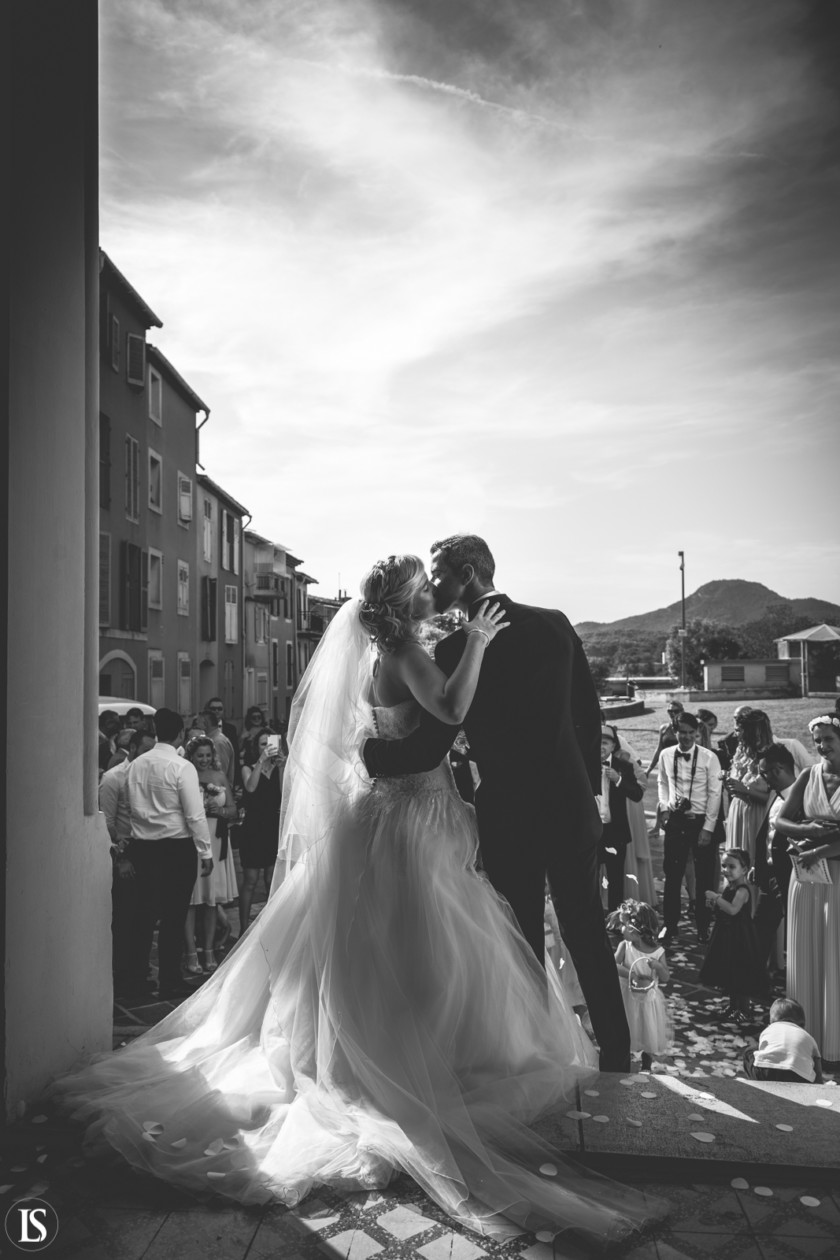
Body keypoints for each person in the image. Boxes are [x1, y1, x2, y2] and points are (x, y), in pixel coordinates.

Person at [53, 560, 662, 1245]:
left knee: (390, 952)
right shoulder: (405, 652)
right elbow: (452, 714)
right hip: (411, 818)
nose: (437, 594)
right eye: (424, 587)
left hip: (392, 817)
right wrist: (482, 645)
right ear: (407, 602)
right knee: (419, 951)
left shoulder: (386, 649)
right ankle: (414, 1071)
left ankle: (403, 1059)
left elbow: (388, 738)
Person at [361, 535, 631, 1074]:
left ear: (466, 574)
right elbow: (588, 716)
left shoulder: (456, 649)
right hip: (571, 808)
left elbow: (432, 744)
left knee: (522, 939)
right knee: (588, 933)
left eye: (438, 575)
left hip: (510, 814)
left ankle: (537, 1057)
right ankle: (619, 1061)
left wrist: (367, 751)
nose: (434, 587)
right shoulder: (554, 623)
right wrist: (592, 798)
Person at [123, 708, 214, 1000]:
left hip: (142, 847)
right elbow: (195, 814)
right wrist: (206, 850)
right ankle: (169, 980)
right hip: (175, 848)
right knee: (174, 917)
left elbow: (129, 806)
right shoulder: (181, 767)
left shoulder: (135, 765)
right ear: (178, 733)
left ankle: (137, 980)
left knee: (143, 917)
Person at [775, 714, 840, 1067]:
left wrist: (818, 846)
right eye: (817, 739)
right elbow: (781, 821)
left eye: (828, 738)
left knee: (836, 955)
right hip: (806, 878)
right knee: (805, 955)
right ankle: (805, 1036)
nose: (821, 745)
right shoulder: (808, 775)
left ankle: (835, 1043)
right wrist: (811, 832)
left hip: (839, 880)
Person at [99, 727, 156, 997]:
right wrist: (121, 857)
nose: (149, 756)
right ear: (132, 749)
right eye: (144, 751)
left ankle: (139, 972)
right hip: (124, 854)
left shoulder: (151, 775)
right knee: (125, 919)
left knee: (146, 918)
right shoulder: (113, 779)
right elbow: (106, 823)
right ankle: (122, 978)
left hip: (149, 853)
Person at [657, 712, 722, 945]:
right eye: (681, 732)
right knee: (672, 876)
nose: (685, 737)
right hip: (676, 820)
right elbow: (662, 782)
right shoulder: (666, 754)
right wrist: (664, 807)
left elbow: (715, 793)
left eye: (690, 733)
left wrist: (708, 827)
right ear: (675, 732)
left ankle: (703, 926)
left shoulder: (709, 757)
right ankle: (670, 925)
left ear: (697, 733)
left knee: (704, 877)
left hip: (701, 821)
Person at [725, 710, 812, 864]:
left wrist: (745, 790)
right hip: (738, 813)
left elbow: (779, 795)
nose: (737, 735)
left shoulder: (782, 750)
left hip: (759, 815)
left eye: (741, 731)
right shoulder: (742, 753)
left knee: (754, 859)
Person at [183, 736, 239, 975]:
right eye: (200, 756)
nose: (204, 760)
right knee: (192, 900)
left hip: (216, 840)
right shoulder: (186, 776)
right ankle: (190, 952)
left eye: (208, 755)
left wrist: (221, 810)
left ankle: (208, 950)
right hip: (195, 840)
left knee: (210, 900)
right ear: (192, 757)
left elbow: (234, 809)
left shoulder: (219, 777)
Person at [700, 848, 766, 1025]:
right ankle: (732, 1006)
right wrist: (715, 903)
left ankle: (743, 1009)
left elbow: (732, 909)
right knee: (729, 974)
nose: (726, 870)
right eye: (724, 866)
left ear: (744, 869)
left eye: (731, 866)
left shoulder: (743, 890)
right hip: (727, 934)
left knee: (740, 974)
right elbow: (724, 907)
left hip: (740, 937)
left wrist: (716, 898)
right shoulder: (731, 886)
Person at [752, 743, 798, 969]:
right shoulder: (776, 795)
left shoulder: (805, 797)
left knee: (795, 933)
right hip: (769, 876)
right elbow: (768, 835)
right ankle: (753, 985)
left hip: (792, 879)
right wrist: (759, 865)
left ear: (778, 769)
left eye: (763, 773)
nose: (761, 779)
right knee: (759, 931)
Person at [610, 901, 671, 1073]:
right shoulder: (625, 946)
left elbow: (666, 977)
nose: (621, 929)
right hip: (628, 996)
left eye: (624, 925)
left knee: (648, 1031)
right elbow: (613, 966)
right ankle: (624, 1059)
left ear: (636, 930)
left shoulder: (658, 952)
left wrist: (658, 967)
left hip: (648, 1000)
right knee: (627, 1028)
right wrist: (633, 974)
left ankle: (646, 1063)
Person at [238, 729, 285, 934]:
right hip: (253, 828)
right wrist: (261, 761)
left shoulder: (279, 768)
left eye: (269, 743)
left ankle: (270, 927)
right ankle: (242, 928)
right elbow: (250, 787)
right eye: (262, 744)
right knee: (250, 880)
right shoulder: (247, 768)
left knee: (270, 879)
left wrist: (283, 767)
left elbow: (284, 793)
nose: (267, 748)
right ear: (256, 747)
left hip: (272, 826)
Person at [598, 726, 644, 911]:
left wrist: (618, 780)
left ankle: (615, 920)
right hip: (592, 832)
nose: (601, 746)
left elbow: (637, 794)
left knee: (616, 878)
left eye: (605, 742)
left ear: (613, 745)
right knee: (589, 878)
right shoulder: (583, 764)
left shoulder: (623, 766)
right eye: (598, 742)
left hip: (615, 832)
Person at [743, 998, 823, 1083]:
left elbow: (763, 1048)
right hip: (800, 1078)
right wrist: (818, 1085)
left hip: (766, 1073)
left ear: (771, 1021)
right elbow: (817, 1063)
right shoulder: (808, 1037)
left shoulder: (770, 1029)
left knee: (749, 1051)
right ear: (802, 1024)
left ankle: (757, 1085)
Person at [645, 701, 684, 775]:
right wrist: (649, 769)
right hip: (666, 767)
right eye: (670, 711)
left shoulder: (686, 729)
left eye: (676, 711)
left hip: (682, 767)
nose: (673, 713)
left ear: (682, 711)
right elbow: (659, 749)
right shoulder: (664, 728)